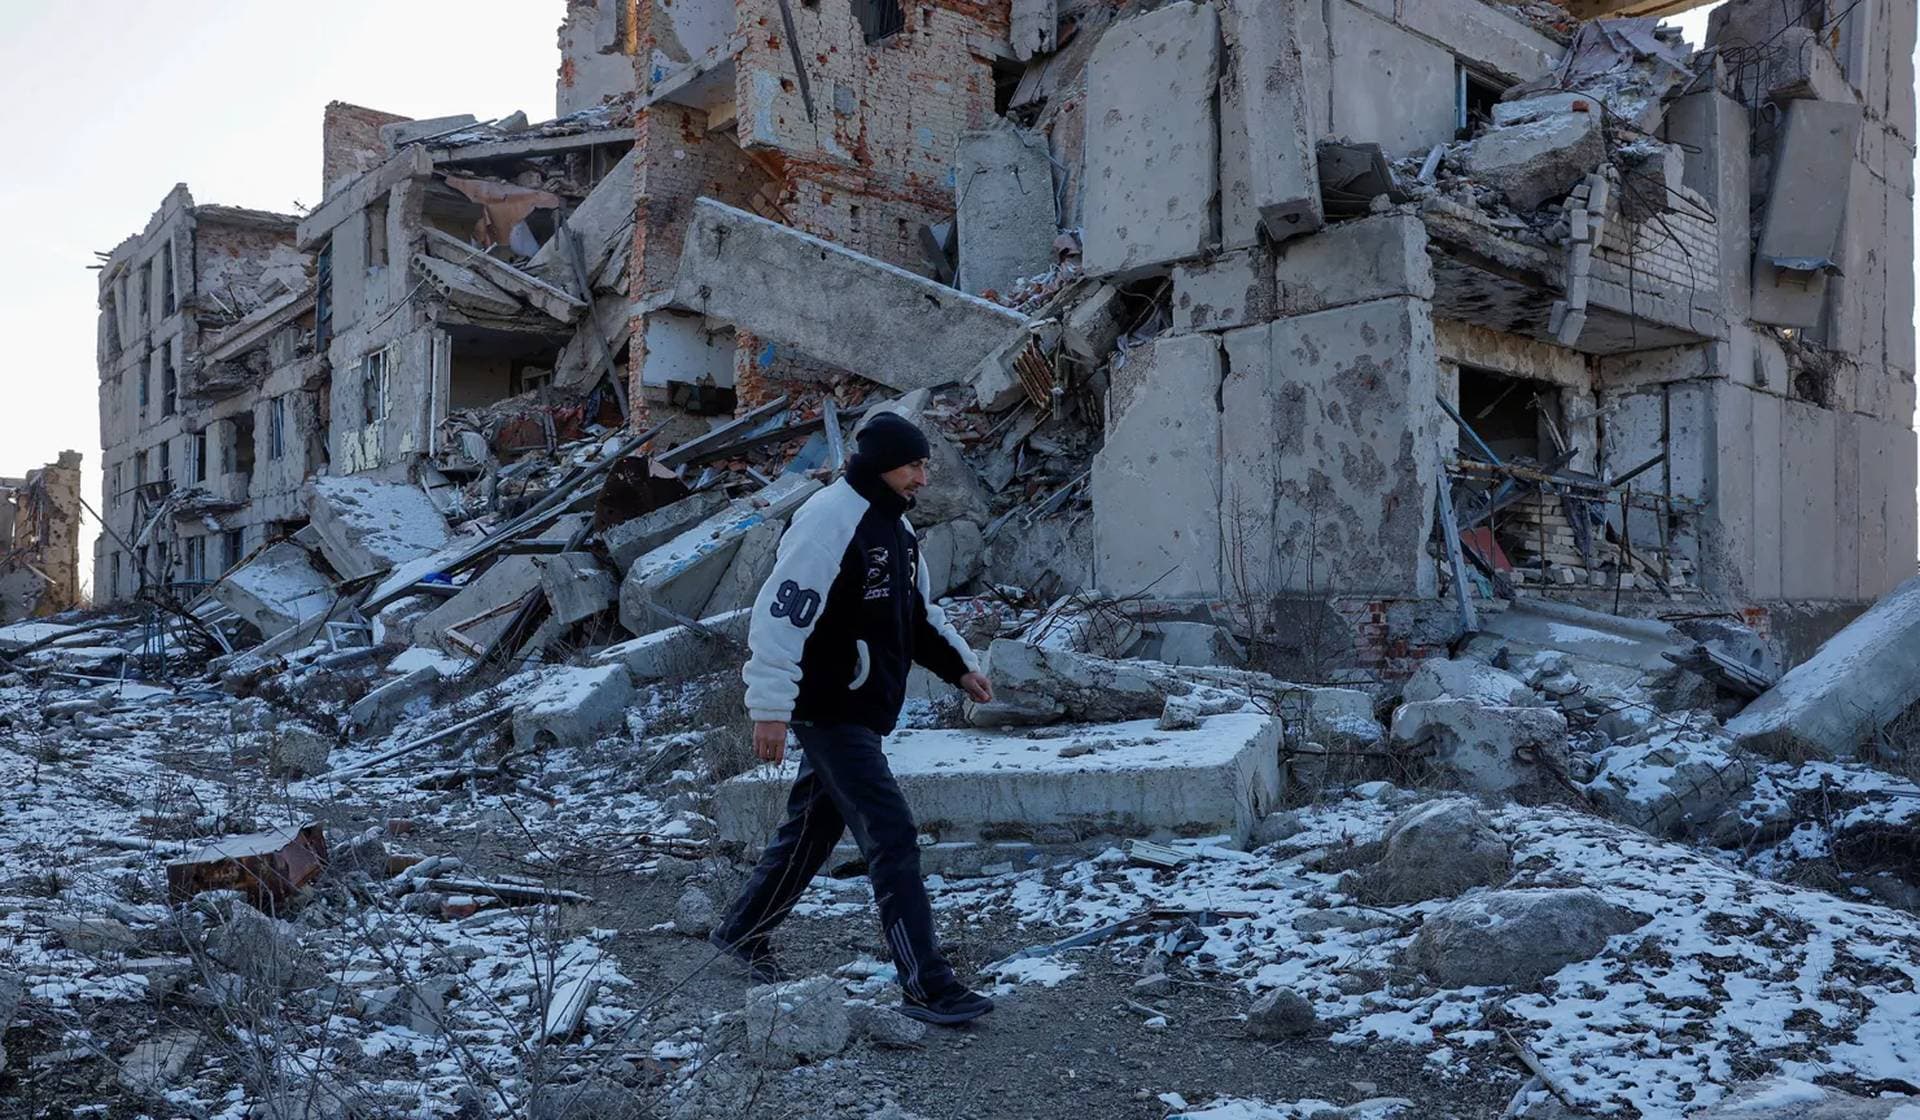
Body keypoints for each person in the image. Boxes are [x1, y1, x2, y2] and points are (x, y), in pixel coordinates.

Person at [708, 411, 999, 1025]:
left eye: (924, 465)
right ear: (881, 464)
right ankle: (927, 986)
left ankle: (741, 930)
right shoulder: (827, 520)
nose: (923, 476)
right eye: (914, 465)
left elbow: (915, 615)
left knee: (812, 829)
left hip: (861, 706)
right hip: (828, 705)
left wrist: (960, 667)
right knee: (890, 835)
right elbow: (781, 616)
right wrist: (769, 709)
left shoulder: (895, 526)